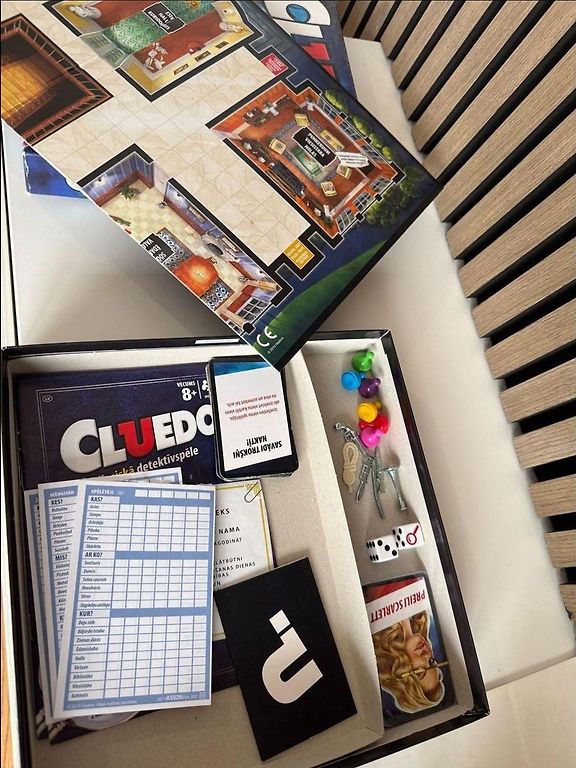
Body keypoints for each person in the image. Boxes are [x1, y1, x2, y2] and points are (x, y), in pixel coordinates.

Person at [372, 611, 446, 713]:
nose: (426, 655)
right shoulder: (419, 614)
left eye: (419, 672)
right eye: (431, 661)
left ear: (401, 671)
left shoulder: (376, 632)